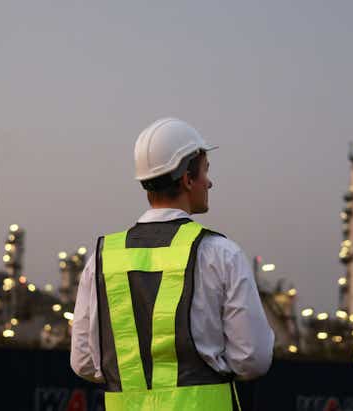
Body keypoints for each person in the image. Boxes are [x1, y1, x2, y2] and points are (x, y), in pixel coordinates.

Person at [70, 118, 274, 410]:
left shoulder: (101, 258)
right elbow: (252, 359)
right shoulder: (221, 254)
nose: (210, 182)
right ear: (187, 179)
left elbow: (84, 362)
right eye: (205, 171)